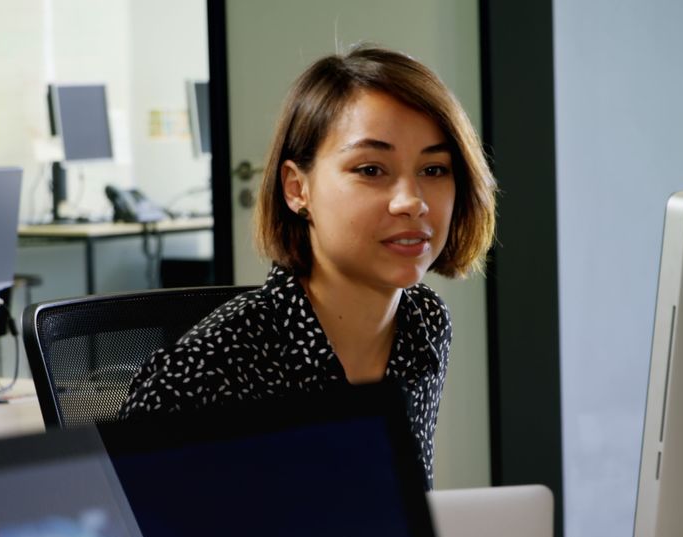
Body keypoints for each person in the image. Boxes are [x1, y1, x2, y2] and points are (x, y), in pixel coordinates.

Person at [120, 44, 497, 489]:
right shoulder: (206, 371)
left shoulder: (423, 325)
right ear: (298, 189)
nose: (411, 201)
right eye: (371, 169)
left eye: (434, 170)